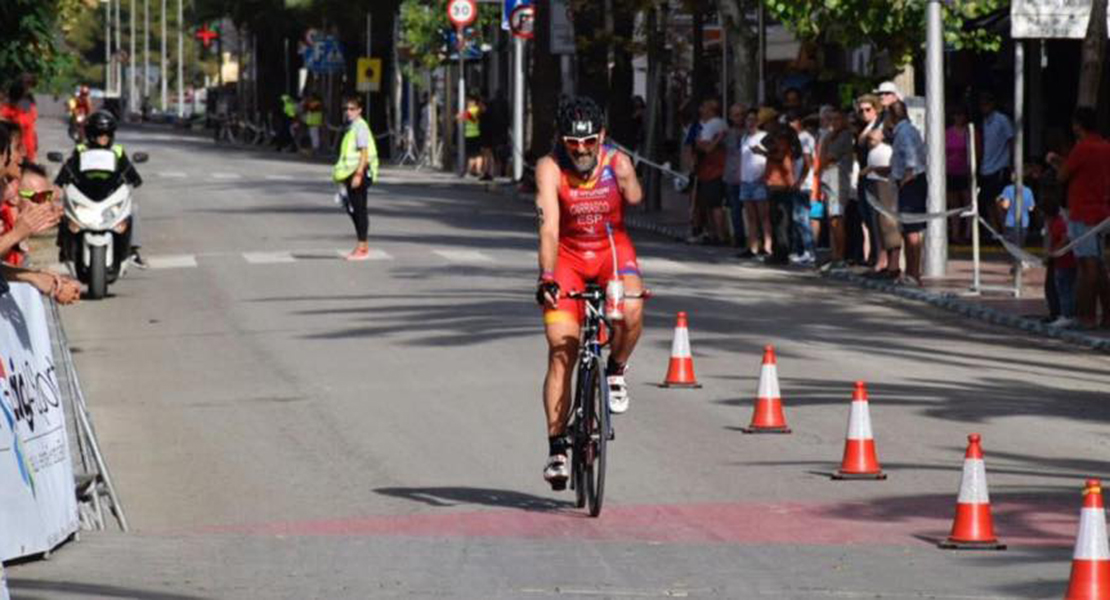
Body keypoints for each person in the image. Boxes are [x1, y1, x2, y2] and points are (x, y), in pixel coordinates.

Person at [533, 96, 644, 489]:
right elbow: (548, 228)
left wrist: (627, 177)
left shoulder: (617, 162)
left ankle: (614, 371)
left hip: (612, 251)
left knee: (631, 311)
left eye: (589, 142)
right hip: (569, 258)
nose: (581, 150)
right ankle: (557, 449)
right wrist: (547, 276)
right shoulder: (549, 168)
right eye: (572, 143)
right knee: (561, 348)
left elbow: (636, 198)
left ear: (602, 137)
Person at [54, 111, 146, 267]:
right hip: (86, 194)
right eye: (99, 134)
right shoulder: (81, 150)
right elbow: (69, 167)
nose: (103, 137)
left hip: (110, 194)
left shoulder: (117, 151)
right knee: (65, 212)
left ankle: (132, 250)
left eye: (107, 134)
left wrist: (135, 178)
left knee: (133, 209)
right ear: (91, 134)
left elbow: (128, 169)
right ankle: (64, 246)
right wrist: (60, 180)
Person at [1046, 106, 1110, 330]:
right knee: (1100, 265)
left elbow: (1063, 175)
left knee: (1087, 265)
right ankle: (1106, 315)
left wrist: (1055, 160)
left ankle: (1086, 316)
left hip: (1082, 211)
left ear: (1077, 126)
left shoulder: (1082, 148)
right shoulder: (1105, 147)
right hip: (1102, 211)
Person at [333, 96, 379, 261]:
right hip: (350, 173)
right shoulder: (351, 127)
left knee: (359, 210)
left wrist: (358, 174)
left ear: (359, 110)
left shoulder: (360, 127)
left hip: (358, 173)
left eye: (352, 109)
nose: (348, 112)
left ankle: (362, 246)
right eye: (346, 109)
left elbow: (364, 152)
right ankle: (362, 245)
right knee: (353, 208)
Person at [888, 101, 928, 286]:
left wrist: (902, 183)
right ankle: (910, 272)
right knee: (906, 230)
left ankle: (915, 273)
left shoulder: (905, 133)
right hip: (906, 183)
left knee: (912, 230)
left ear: (893, 117)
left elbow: (911, 165)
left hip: (911, 184)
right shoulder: (904, 132)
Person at [860, 127, 902, 278]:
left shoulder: (887, 150)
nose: (870, 138)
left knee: (888, 225)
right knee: (876, 225)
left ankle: (892, 264)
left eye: (873, 137)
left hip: (884, 186)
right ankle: (880, 261)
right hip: (873, 186)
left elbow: (890, 169)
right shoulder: (873, 151)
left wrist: (873, 169)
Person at [818, 106, 854, 269]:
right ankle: (834, 255)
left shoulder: (844, 136)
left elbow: (827, 157)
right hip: (828, 180)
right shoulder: (832, 135)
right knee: (832, 219)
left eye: (837, 119)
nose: (833, 123)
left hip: (838, 181)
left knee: (837, 219)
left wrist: (825, 141)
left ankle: (840, 256)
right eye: (831, 119)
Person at [693, 98, 729, 245]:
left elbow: (706, 147)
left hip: (714, 170)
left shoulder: (713, 124)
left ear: (711, 111)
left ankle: (719, 235)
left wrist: (702, 143)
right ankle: (713, 233)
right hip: (708, 170)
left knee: (715, 204)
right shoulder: (712, 124)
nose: (701, 111)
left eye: (704, 108)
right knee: (708, 204)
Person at [736, 108, 771, 258]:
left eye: (753, 120)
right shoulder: (744, 138)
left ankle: (768, 246)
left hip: (759, 180)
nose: (750, 123)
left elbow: (771, 156)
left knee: (764, 216)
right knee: (750, 217)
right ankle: (753, 246)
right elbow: (742, 158)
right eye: (748, 119)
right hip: (746, 180)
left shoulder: (764, 136)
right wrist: (740, 174)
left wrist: (765, 176)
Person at [978, 92, 1014, 231]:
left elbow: (1011, 140)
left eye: (986, 104)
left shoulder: (1002, 120)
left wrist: (1011, 162)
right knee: (988, 201)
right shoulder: (984, 122)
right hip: (986, 166)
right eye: (982, 105)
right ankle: (995, 229)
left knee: (999, 200)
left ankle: (1005, 229)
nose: (984, 107)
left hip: (1000, 165)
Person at [787, 110, 816, 266]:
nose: (790, 124)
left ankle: (809, 251)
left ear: (799, 122)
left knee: (802, 218)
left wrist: (800, 180)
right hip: (797, 182)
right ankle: (800, 251)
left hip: (804, 184)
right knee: (797, 218)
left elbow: (807, 162)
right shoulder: (796, 138)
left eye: (792, 121)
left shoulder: (805, 138)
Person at [1044, 194, 1077, 328]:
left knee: (1065, 289)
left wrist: (1054, 252)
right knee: (1061, 288)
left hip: (1065, 262)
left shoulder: (1058, 223)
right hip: (1060, 262)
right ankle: (1061, 314)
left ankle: (1066, 315)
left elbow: (1065, 238)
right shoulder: (1055, 222)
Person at [946, 106, 972, 243]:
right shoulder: (947, 133)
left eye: (961, 115)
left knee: (967, 203)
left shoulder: (970, 132)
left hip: (965, 172)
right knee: (954, 205)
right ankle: (955, 233)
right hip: (950, 172)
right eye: (956, 115)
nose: (959, 118)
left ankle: (968, 233)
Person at [723, 103, 747, 247]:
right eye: (736, 115)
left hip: (748, 176)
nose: (739, 118)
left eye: (742, 115)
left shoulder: (750, 133)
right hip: (731, 176)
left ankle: (756, 240)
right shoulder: (727, 134)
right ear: (731, 117)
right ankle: (739, 237)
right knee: (735, 209)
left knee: (753, 211)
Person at [1, 77, 38, 163]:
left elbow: (29, 122)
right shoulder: (8, 108)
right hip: (13, 153)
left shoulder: (28, 104)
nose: (28, 90)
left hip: (26, 152)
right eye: (27, 87)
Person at [996, 170, 1036, 248]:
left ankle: (1014, 260)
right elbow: (1031, 208)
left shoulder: (1008, 189)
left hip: (1011, 222)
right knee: (1021, 247)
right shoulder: (1028, 190)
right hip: (1024, 223)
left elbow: (1005, 206)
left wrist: (999, 201)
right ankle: (1020, 260)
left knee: (1012, 247)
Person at [459, 93, 483, 178]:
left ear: (473, 102)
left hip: (471, 135)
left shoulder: (470, 110)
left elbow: (459, 117)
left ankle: (469, 171)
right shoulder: (477, 109)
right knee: (478, 154)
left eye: (469, 101)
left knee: (472, 154)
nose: (467, 102)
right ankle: (477, 170)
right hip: (477, 134)